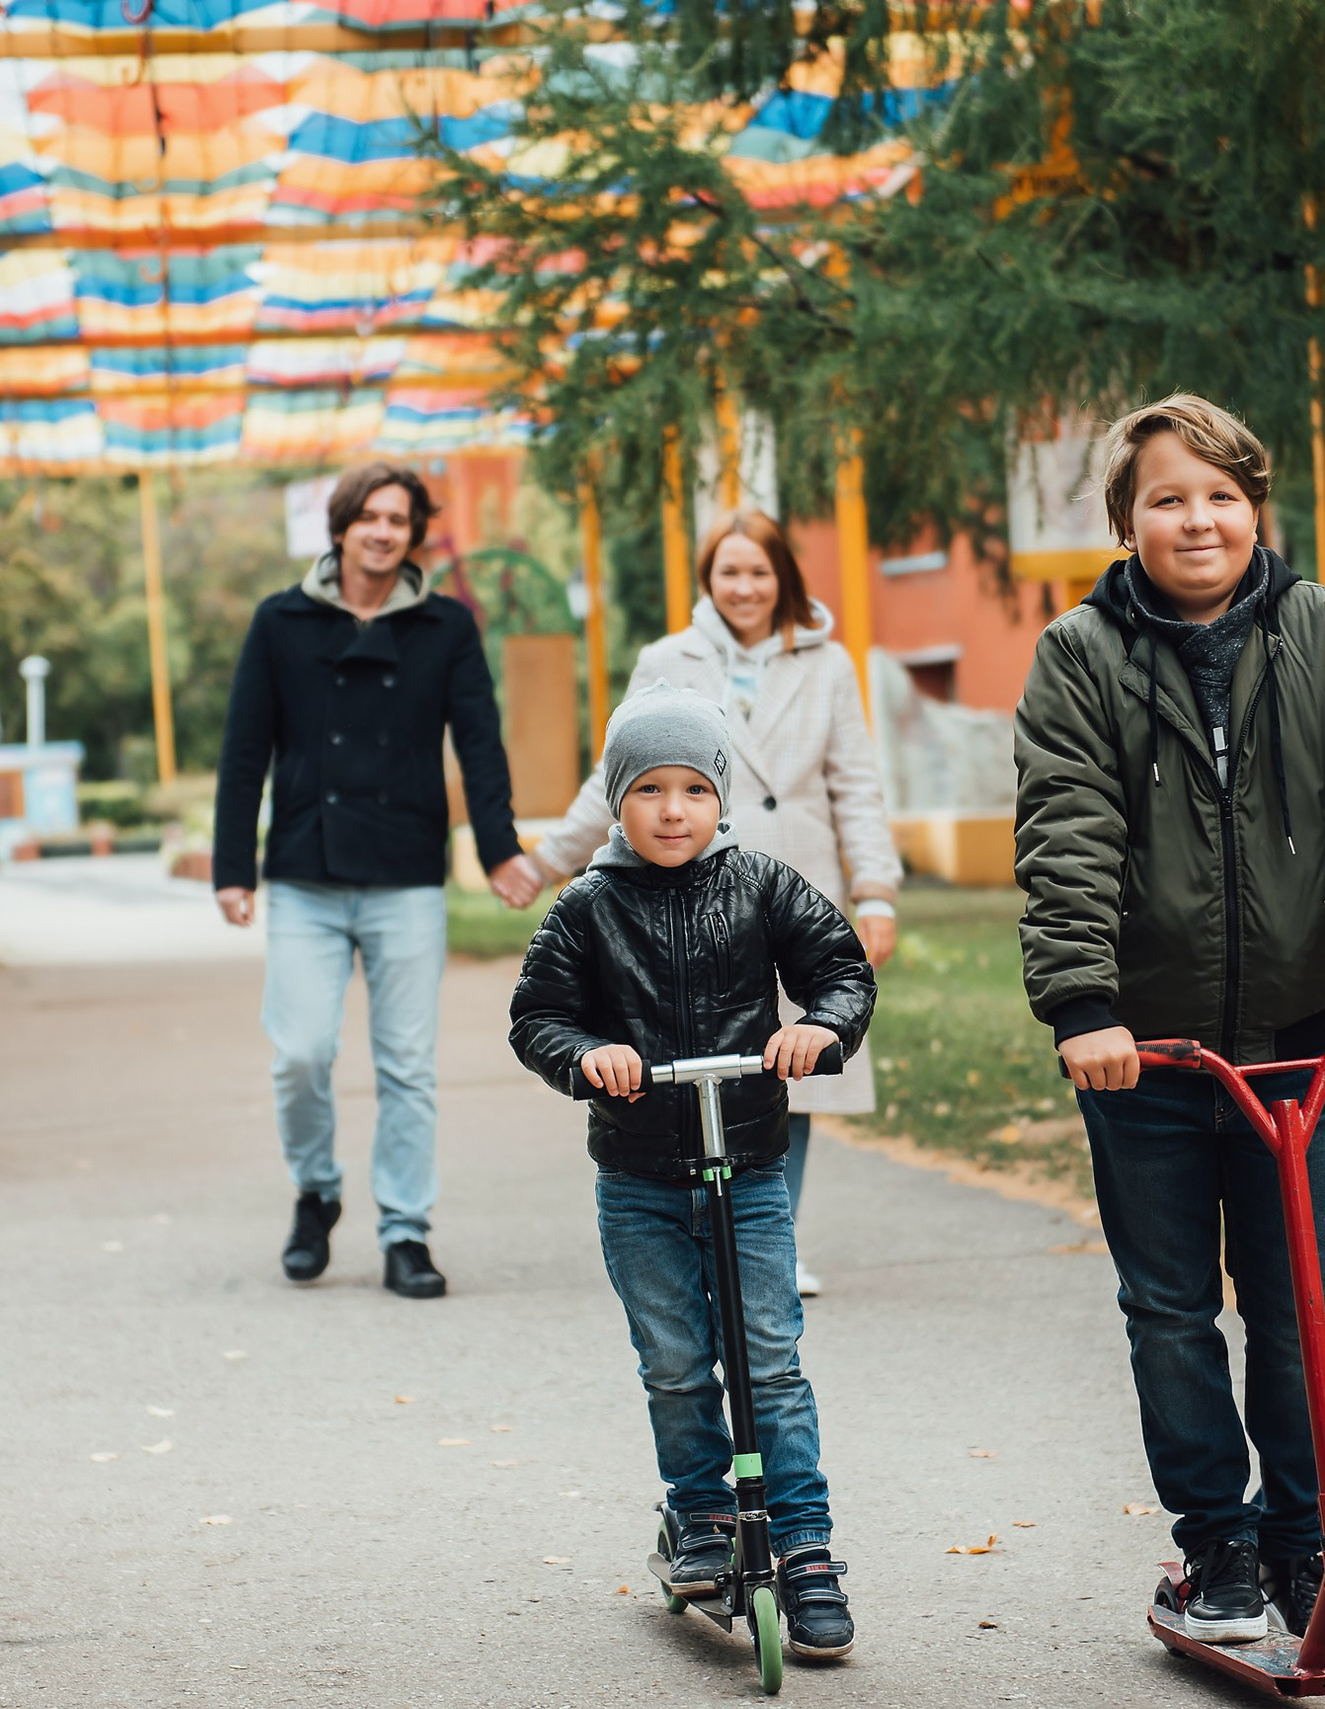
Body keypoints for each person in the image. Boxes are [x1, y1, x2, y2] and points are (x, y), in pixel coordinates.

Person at [1013, 395, 1325, 1644]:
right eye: (1167, 498)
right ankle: (1216, 1547)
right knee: (1171, 1310)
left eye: (1221, 495)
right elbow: (1067, 829)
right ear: (1125, 521)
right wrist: (1083, 1004)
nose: (1198, 519)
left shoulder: (1317, 628)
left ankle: (1297, 1541)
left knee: (1294, 1311)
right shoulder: (1081, 652)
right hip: (1145, 1058)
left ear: (1254, 509)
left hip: (1289, 1047)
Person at [507, 685, 876, 1662]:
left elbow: (841, 970)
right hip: (638, 1176)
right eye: (650, 790)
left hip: (748, 1166)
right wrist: (586, 1054)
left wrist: (819, 1027)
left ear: (721, 798)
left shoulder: (762, 884)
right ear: (617, 799)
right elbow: (537, 1016)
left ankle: (805, 1546)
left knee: (769, 1359)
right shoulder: (587, 905)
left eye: (694, 789)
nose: (673, 810)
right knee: (674, 1361)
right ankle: (702, 1516)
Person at [503, 511, 900, 1296]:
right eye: (729, 572)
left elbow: (856, 780)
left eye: (760, 572)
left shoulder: (826, 663)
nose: (745, 587)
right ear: (708, 581)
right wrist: (547, 858)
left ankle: (769, 1236)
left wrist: (875, 890)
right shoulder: (667, 660)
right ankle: (707, 1231)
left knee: (790, 1060)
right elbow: (619, 774)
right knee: (712, 1050)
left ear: (783, 578)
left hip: (792, 874)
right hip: (682, 883)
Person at [212, 462, 531, 1300]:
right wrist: (231, 867)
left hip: (405, 870)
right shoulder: (280, 620)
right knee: (301, 1051)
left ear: (413, 534)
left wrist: (498, 847)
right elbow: (245, 749)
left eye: (400, 519)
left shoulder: (445, 625)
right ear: (342, 527)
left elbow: (479, 739)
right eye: (371, 517)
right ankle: (316, 1190)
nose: (385, 532)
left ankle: (405, 1230)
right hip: (305, 869)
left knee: (407, 1064)